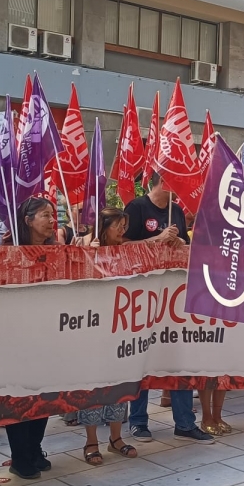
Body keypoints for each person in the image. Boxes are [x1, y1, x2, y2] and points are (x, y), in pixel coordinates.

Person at [122, 175, 214, 443]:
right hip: (143, 296)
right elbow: (123, 247)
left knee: (179, 357)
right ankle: (138, 422)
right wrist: (157, 239)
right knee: (143, 358)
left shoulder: (177, 211)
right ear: (162, 182)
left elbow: (185, 247)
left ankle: (185, 422)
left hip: (173, 298)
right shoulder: (137, 208)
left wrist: (179, 243)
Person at [0, 196, 65, 478]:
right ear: (27, 220)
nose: (51, 220)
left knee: (44, 395)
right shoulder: (7, 250)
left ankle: (35, 448)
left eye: (52, 215)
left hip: (48, 331)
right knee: (20, 396)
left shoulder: (56, 249)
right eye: (44, 215)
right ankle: (19, 455)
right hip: (16, 334)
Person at [75, 208, 142, 461]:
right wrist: (86, 254)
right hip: (91, 329)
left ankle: (116, 437)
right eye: (118, 226)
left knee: (118, 383)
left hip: (119, 327)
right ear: (103, 227)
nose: (123, 231)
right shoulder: (85, 249)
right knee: (93, 386)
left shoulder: (126, 251)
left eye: (125, 225)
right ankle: (91, 441)